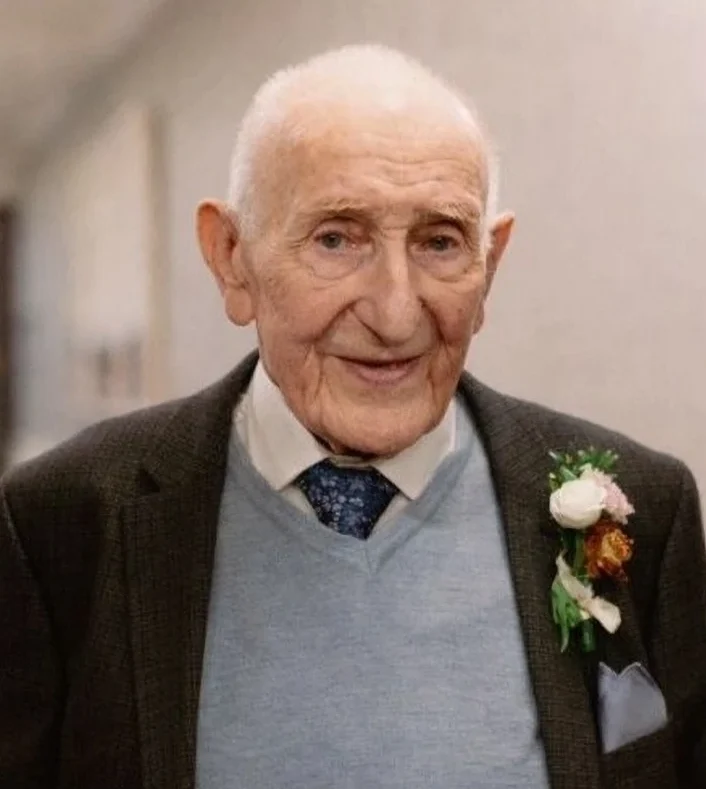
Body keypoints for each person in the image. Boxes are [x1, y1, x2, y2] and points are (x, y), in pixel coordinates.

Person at [1, 45, 704, 789]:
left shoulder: (646, 512)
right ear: (232, 258)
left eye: (440, 242)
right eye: (335, 238)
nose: (395, 314)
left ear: (489, 265)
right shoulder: (61, 523)